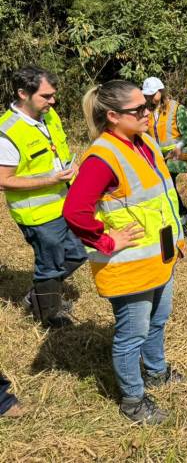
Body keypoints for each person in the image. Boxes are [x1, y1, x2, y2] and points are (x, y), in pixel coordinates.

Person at [63, 80, 185, 425]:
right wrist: (105, 241)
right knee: (132, 334)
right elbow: (75, 212)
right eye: (139, 109)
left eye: (147, 105)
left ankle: (157, 372)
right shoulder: (101, 157)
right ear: (113, 116)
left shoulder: (142, 141)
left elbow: (160, 198)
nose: (148, 112)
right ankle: (133, 400)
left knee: (158, 321)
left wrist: (176, 240)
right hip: (129, 265)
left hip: (159, 255)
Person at [0, 66, 87, 327]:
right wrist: (50, 180)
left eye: (53, 95)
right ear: (23, 93)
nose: (53, 101)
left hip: (65, 201)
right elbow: (3, 180)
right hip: (37, 214)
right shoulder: (8, 132)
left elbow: (56, 151)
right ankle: (48, 316)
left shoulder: (48, 116)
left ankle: (37, 296)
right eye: (46, 96)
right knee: (49, 265)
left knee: (79, 252)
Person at [142, 77, 187, 223]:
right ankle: (175, 211)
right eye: (147, 94)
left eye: (153, 94)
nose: (150, 97)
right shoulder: (147, 111)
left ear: (161, 91)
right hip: (158, 155)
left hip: (178, 152)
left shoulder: (175, 108)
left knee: (168, 182)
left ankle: (181, 213)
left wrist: (179, 147)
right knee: (163, 183)